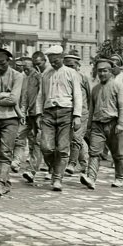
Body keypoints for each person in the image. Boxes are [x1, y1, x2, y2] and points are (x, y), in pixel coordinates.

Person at [39, 45, 82, 191]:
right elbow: (41, 95)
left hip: (66, 112)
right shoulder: (46, 74)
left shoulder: (71, 73)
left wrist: (77, 116)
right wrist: (40, 114)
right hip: (48, 113)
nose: (53, 63)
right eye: (51, 61)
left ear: (62, 58)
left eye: (56, 60)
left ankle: (57, 178)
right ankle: (53, 167)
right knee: (46, 146)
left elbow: (77, 95)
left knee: (63, 149)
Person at [80, 59, 123, 189]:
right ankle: (91, 178)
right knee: (94, 152)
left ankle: (119, 177)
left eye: (105, 71)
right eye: (99, 71)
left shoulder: (118, 86)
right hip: (97, 125)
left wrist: (120, 123)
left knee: (117, 154)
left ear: (111, 71)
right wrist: (88, 126)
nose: (102, 74)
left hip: (113, 124)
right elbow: (91, 109)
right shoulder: (95, 89)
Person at [0, 48, 24, 198]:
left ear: (9, 61)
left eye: (2, 63)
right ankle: (6, 183)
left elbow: (14, 99)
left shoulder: (17, 76)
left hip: (10, 118)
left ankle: (0, 183)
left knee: (5, 152)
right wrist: (3, 95)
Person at [63, 53, 89, 175]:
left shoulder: (83, 77)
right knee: (77, 138)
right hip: (68, 111)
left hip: (82, 112)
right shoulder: (63, 77)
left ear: (78, 66)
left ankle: (72, 163)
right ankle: (83, 163)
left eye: (72, 66)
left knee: (76, 138)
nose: (69, 68)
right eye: (67, 65)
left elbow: (89, 95)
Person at [19, 56, 44, 183]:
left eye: (27, 67)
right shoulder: (25, 78)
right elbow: (24, 97)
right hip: (29, 114)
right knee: (26, 138)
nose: (25, 69)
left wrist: (40, 114)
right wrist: (23, 113)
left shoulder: (39, 77)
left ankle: (33, 170)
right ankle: (22, 163)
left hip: (38, 114)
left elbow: (41, 96)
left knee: (39, 142)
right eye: (23, 67)